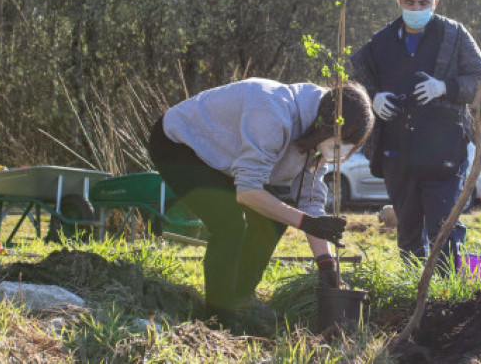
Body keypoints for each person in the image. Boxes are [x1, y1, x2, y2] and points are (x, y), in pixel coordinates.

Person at [147, 78, 374, 331]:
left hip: (226, 159)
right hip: (178, 144)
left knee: (274, 220)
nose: (340, 149)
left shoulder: (320, 138)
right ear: (327, 122)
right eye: (342, 139)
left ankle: (241, 299)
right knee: (228, 222)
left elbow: (310, 201)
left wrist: (326, 264)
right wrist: (305, 222)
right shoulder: (272, 111)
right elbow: (247, 192)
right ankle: (216, 318)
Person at [352, 0, 481, 271]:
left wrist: (446, 87)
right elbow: (356, 79)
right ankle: (412, 295)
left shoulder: (454, 35)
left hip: (444, 153)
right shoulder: (381, 41)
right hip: (397, 155)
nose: (416, 10)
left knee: (444, 228)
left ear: (435, 2)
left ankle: (445, 295)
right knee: (409, 232)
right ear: (398, 1)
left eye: (423, 3)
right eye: (409, 3)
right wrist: (373, 97)